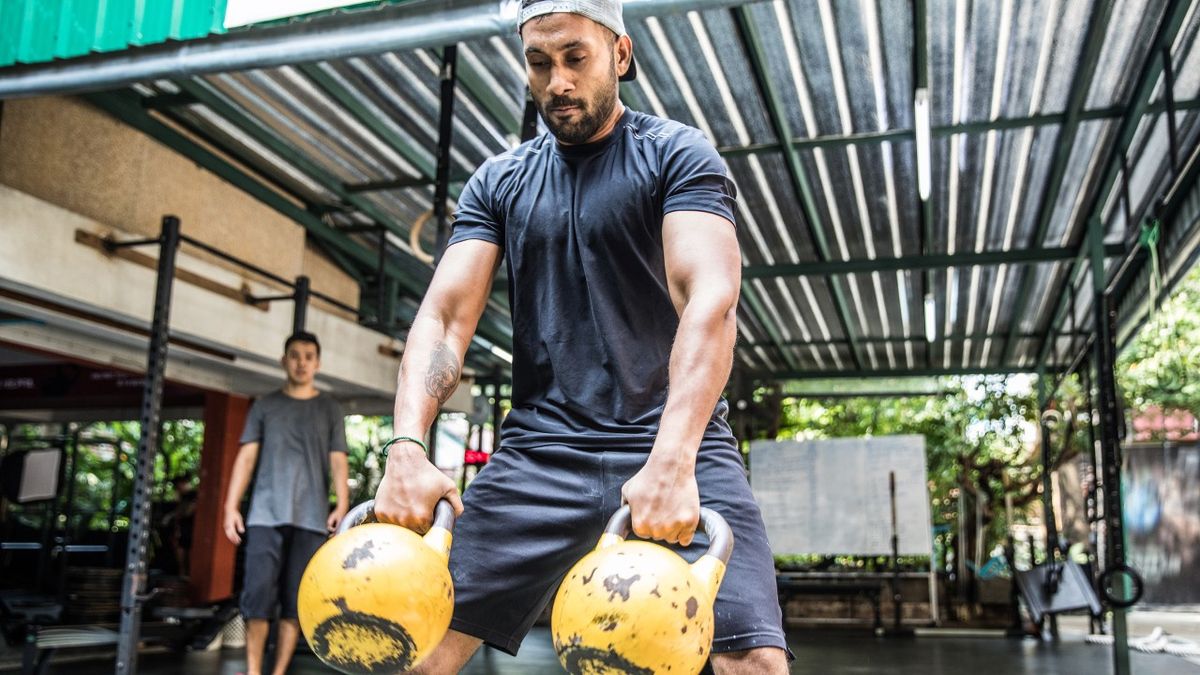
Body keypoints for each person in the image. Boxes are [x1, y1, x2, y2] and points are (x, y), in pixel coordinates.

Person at [372, 0, 790, 672]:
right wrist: (406, 448)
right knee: (418, 649)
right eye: (539, 63)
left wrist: (674, 459)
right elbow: (446, 317)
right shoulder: (500, 182)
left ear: (620, 55)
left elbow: (707, 302)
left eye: (575, 58)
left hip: (674, 440)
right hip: (539, 452)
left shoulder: (676, 156)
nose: (556, 81)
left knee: (754, 661)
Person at [223, 331, 350, 675]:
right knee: (258, 599)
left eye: (309, 356)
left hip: (310, 519)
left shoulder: (330, 408)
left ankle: (278, 673)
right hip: (264, 515)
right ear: (284, 361)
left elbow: (338, 460)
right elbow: (246, 457)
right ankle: (253, 671)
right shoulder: (265, 405)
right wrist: (230, 506)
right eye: (295, 355)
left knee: (295, 604)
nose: (301, 362)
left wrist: (342, 505)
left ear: (318, 363)